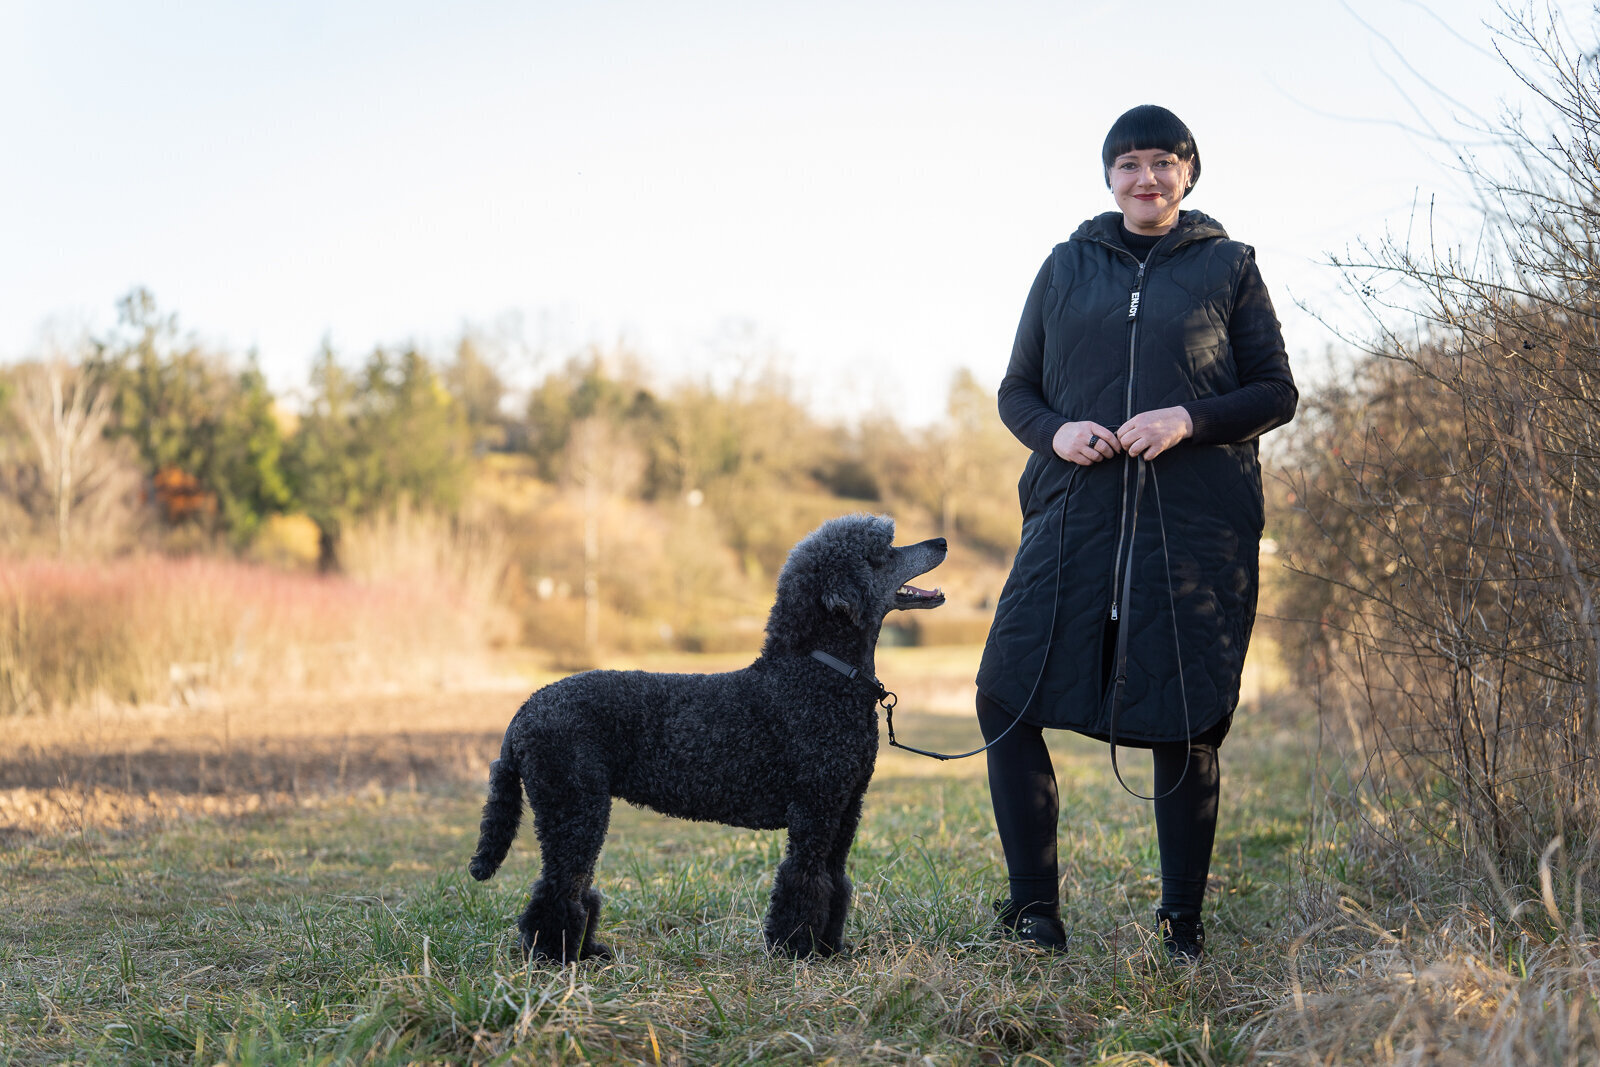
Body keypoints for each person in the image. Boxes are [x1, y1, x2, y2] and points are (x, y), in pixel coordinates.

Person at [974, 104, 1297, 963]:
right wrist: (1057, 432)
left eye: (1163, 162)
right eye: (1129, 164)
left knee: (1184, 717)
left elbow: (1276, 392)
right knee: (1006, 694)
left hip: (1192, 526)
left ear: (1188, 172)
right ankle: (1035, 911)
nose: (1145, 178)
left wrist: (1187, 418)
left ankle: (1180, 922)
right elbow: (1016, 389)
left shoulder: (1230, 266)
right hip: (1071, 512)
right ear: (1109, 177)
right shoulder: (1064, 265)